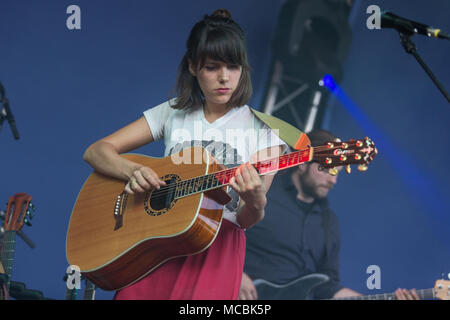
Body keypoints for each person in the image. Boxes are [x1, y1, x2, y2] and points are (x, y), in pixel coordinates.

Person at [82, 9, 286, 300]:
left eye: (233, 66)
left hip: (215, 251)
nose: (224, 78)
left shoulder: (266, 132)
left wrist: (256, 200)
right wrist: (132, 172)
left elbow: (245, 220)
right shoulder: (174, 112)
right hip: (155, 243)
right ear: (192, 67)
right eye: (212, 67)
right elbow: (96, 151)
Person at [239, 129, 420, 300]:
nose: (333, 180)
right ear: (302, 163)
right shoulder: (264, 192)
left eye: (337, 173)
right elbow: (218, 233)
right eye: (328, 169)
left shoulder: (328, 222)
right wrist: (235, 274)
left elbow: (327, 287)